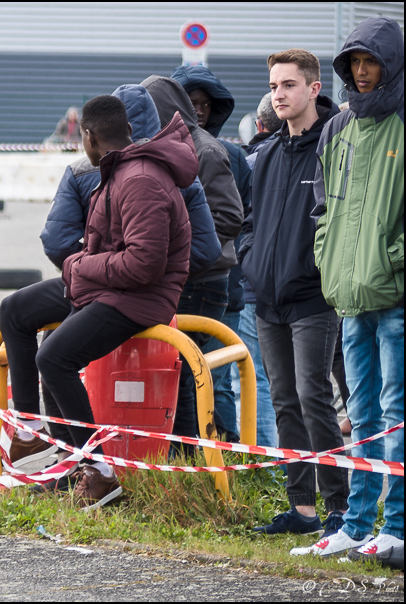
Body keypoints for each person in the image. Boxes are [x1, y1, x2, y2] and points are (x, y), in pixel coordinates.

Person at [0, 86, 218, 494]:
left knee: (55, 357)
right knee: (15, 309)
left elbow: (143, 265)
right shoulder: (120, 169)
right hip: (105, 285)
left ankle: (99, 471)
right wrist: (85, 268)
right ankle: (28, 428)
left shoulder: (139, 179)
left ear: (87, 137)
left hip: (138, 298)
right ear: (128, 130)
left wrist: (82, 265)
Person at [293, 17, 404, 568]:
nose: (362, 72)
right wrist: (329, 258)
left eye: (371, 61)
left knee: (396, 410)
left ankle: (399, 528)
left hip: (396, 295)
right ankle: (358, 527)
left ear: (391, 62)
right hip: (349, 294)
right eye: (353, 62)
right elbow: (323, 207)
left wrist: (392, 258)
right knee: (360, 412)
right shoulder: (339, 128)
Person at [237, 49, 347, 539]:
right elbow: (249, 222)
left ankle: (341, 510)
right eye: (274, 86)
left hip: (313, 298)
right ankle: (303, 511)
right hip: (268, 299)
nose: (278, 94)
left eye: (288, 85)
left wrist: (318, 271)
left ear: (313, 89)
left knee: (313, 398)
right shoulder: (268, 153)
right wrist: (252, 261)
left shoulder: (334, 146)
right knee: (284, 401)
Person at [141, 75, 244, 448]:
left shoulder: (204, 149)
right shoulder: (167, 147)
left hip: (203, 282)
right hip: (183, 279)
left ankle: (189, 459)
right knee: (177, 371)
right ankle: (182, 455)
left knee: (189, 373)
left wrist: (179, 248)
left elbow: (231, 216)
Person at [171, 65, 253, 443]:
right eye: (191, 102)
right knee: (192, 375)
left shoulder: (231, 155)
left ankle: (226, 452)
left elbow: (244, 218)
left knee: (216, 380)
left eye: (206, 104)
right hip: (196, 283)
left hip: (221, 285)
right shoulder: (170, 152)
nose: (199, 110)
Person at [239, 92, 282, 448]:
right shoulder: (316, 157)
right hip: (302, 288)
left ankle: (264, 463)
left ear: (259, 126)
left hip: (253, 288)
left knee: (255, 379)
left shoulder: (249, 163)